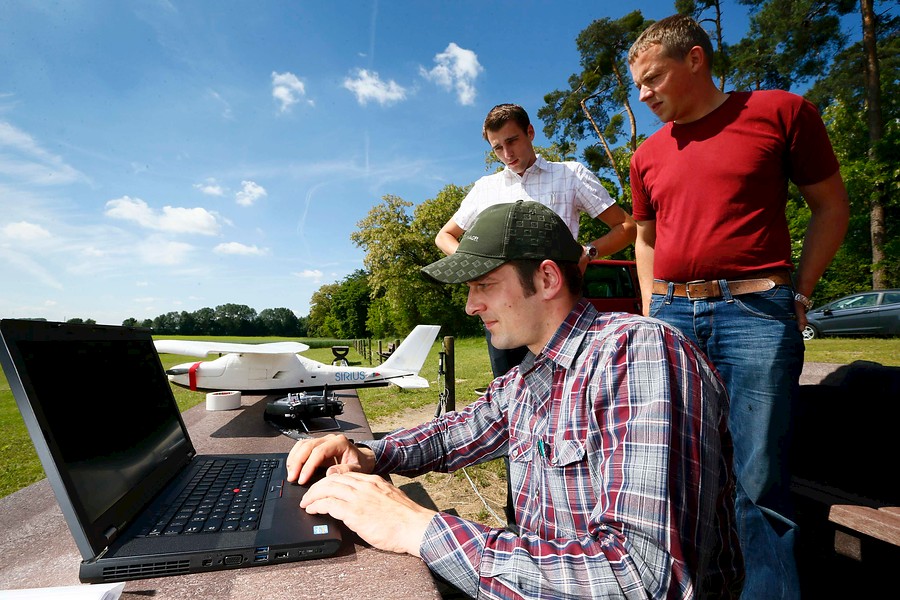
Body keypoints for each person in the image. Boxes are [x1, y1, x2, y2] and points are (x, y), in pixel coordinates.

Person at [287, 200, 743, 599]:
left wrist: (416, 528)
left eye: (483, 284)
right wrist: (368, 453)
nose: (470, 306)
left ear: (546, 278)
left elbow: (641, 579)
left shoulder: (638, 354)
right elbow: (457, 432)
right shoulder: (528, 375)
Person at [627, 15, 850, 599]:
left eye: (652, 79)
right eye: (638, 86)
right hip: (672, 317)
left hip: (755, 313)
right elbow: (645, 238)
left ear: (695, 59)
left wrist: (800, 291)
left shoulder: (781, 112)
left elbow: (831, 205)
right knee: (671, 468)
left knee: (756, 477)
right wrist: (653, 311)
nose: (644, 95)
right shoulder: (647, 154)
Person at [435, 103, 637, 379]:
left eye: (512, 141)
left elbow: (626, 227)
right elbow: (444, 236)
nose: (507, 154)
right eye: (497, 148)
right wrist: (478, 267)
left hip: (557, 307)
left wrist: (587, 252)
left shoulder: (569, 175)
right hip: (504, 309)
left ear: (530, 132)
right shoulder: (486, 187)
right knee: (513, 393)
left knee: (570, 388)